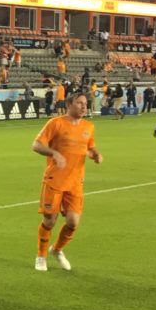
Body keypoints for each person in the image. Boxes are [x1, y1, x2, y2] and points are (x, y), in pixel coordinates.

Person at [32, 92, 103, 272]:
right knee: (49, 221)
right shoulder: (55, 123)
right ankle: (41, 256)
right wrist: (54, 153)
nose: (84, 106)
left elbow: (90, 147)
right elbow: (36, 145)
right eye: (79, 103)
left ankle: (56, 250)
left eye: (85, 103)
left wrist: (96, 154)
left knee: (73, 223)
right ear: (69, 104)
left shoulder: (89, 126)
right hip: (55, 180)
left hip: (76, 182)